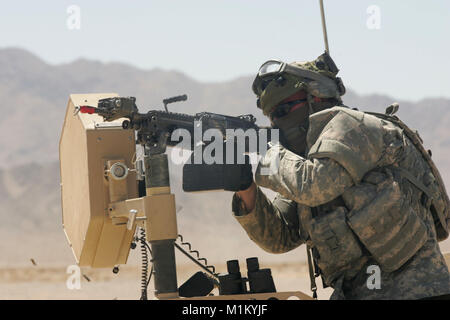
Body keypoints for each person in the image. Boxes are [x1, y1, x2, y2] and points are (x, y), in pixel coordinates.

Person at [231, 52, 450, 299]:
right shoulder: (308, 161)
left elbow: (313, 185)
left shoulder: (353, 126)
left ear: (316, 97)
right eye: (271, 118)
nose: (276, 126)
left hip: (417, 292)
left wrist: (260, 151)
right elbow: (279, 236)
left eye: (283, 111)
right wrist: (243, 185)